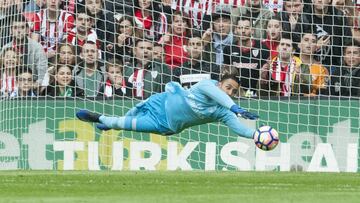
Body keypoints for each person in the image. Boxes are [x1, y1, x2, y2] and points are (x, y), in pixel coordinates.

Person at [76, 73, 259, 138]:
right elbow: (220, 96)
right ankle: (107, 122)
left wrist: (257, 135)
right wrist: (235, 107)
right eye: (228, 88)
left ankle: (100, 119)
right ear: (219, 85)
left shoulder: (222, 112)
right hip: (161, 101)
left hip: (164, 125)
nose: (230, 93)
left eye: (234, 92)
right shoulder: (206, 85)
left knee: (124, 124)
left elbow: (241, 130)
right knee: (132, 113)